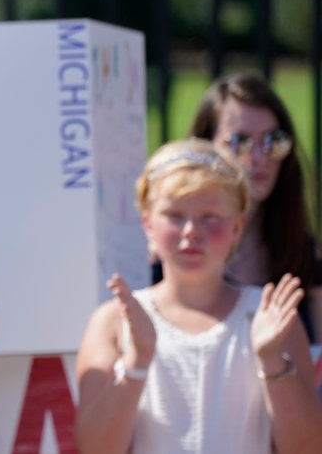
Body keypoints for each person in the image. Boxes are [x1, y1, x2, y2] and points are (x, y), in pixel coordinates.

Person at [76, 138, 322, 453]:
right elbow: (95, 448)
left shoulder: (269, 316)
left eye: (210, 217)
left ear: (237, 228)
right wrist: (136, 361)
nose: (191, 230)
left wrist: (272, 359)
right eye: (175, 216)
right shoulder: (114, 321)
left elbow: (307, 447)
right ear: (148, 224)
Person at [176, 73, 322, 343]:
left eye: (274, 140)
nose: (258, 157)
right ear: (204, 147)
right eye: (240, 142)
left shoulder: (303, 250)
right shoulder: (171, 250)